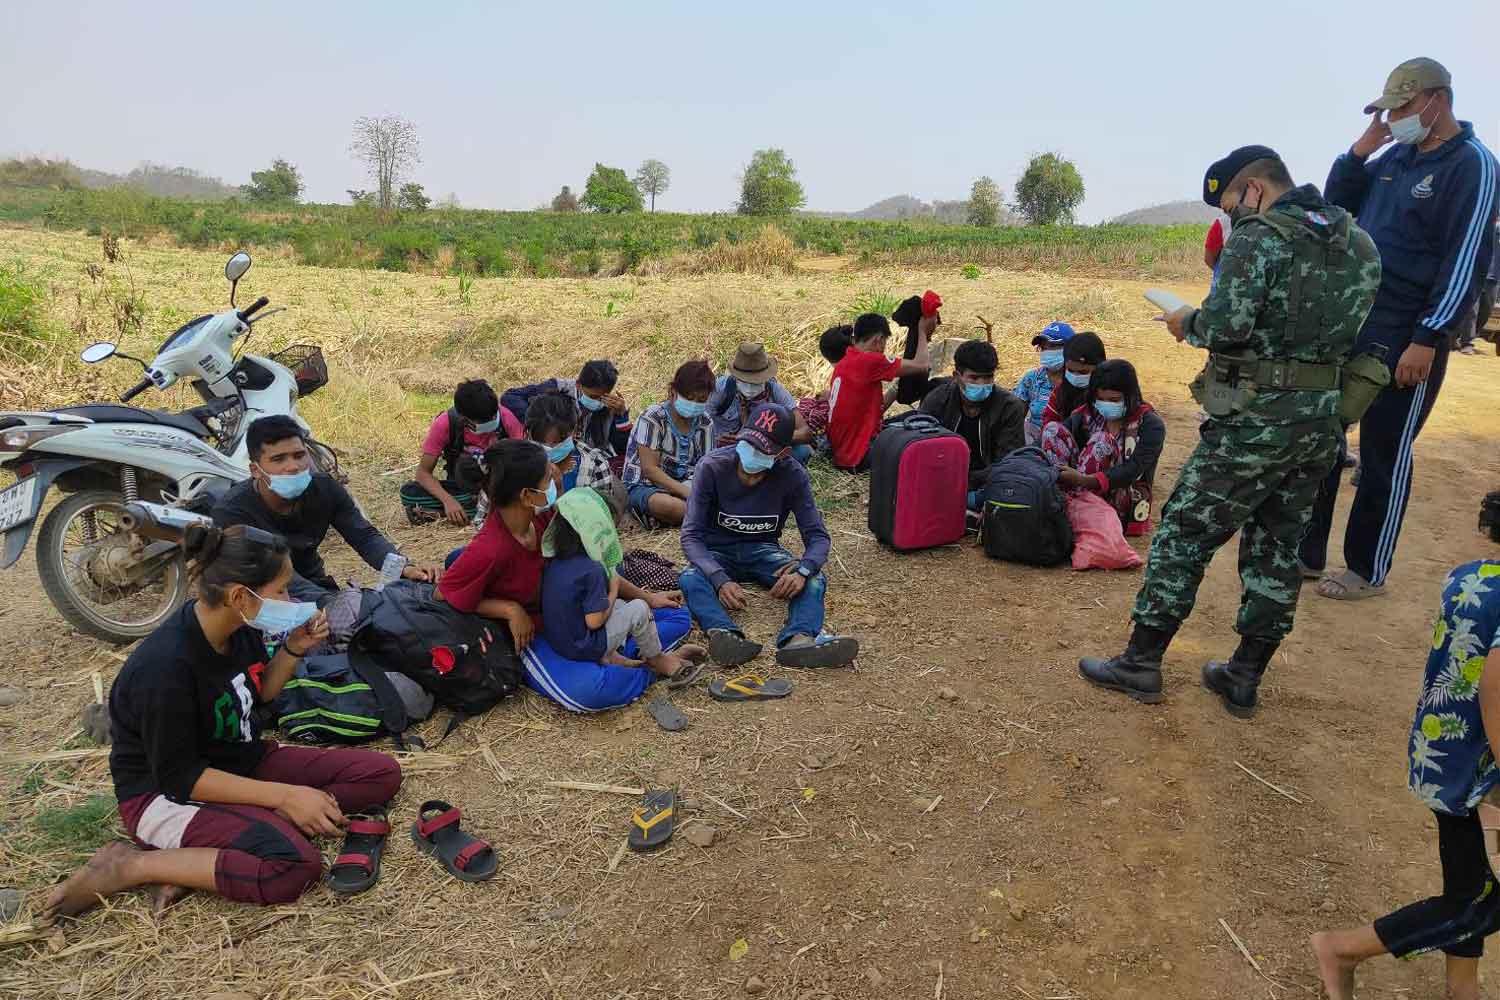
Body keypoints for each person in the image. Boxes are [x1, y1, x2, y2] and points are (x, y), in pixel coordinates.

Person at [1079, 145, 1381, 716]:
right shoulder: (1359, 243)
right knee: (1277, 546)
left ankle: (1141, 663)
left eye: (1228, 205)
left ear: (1253, 189)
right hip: (1320, 423)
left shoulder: (1259, 236)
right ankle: (1243, 675)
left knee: (1185, 533)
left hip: (1254, 424)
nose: (1230, 218)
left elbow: (1226, 325)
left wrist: (1184, 321)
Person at [43, 524, 402, 918]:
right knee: (296, 867)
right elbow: (181, 776)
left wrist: (294, 648)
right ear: (238, 596)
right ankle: (131, 865)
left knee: (379, 774)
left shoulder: (236, 629)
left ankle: (215, 848)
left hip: (239, 762)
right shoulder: (164, 669)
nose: (290, 599)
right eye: (281, 590)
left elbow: (259, 693)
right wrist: (285, 796)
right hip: (165, 795)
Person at [1299, 57, 1497, 602]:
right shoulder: (1395, 156)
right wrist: (1361, 148)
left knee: (1386, 449)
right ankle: (1307, 551)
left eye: (1404, 108)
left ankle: (1367, 568)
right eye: (1390, 110)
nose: (1397, 118)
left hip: (1407, 332)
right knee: (1324, 436)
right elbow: (1337, 206)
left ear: (1438, 99)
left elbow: (1465, 260)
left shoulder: (1472, 165)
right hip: (1355, 320)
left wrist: (1429, 337)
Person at [1309, 556, 1500, 1000]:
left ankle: (1462, 987)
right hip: (1481, 774)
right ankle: (1342, 948)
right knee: (1476, 902)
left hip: (1443, 751)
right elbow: (1496, 691)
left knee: (1470, 880)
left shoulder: (1471, 575)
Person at [680, 402, 858, 668]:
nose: (751, 454)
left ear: (782, 454)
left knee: (814, 580)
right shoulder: (712, 467)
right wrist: (719, 579)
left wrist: (803, 571)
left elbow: (817, 537)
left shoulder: (793, 474)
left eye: (762, 450)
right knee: (691, 578)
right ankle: (723, 635)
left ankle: (799, 640)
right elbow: (691, 536)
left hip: (764, 550)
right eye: (749, 444)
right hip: (716, 553)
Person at [213, 416, 438, 603]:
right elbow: (268, 575)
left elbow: (364, 537)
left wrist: (403, 566)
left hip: (315, 584)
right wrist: (330, 603)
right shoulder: (233, 512)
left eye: (299, 455)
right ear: (255, 469)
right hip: (264, 598)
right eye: (278, 459)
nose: (293, 466)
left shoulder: (325, 488)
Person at [540, 487, 703, 680]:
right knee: (639, 608)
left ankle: (612, 656)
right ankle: (657, 659)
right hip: (582, 646)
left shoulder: (556, 561)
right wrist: (614, 588)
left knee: (620, 605)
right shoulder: (592, 570)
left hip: (561, 641)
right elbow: (594, 622)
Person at [438, 438, 559, 652]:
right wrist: (509, 610)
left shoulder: (541, 518)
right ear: (526, 495)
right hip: (525, 629)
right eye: (549, 479)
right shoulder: (492, 549)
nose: (555, 482)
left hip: (550, 611)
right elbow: (442, 594)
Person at [1041, 359, 1165, 536]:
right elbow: (1056, 436)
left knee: (1102, 441)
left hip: (1122, 497)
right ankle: (1059, 503)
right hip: (1077, 485)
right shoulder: (1089, 414)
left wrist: (1085, 480)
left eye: (1114, 400)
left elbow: (1133, 469)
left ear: (1131, 396)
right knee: (1052, 430)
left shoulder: (1151, 425)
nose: (1106, 404)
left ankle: (1079, 512)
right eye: (1100, 399)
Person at [918, 339, 1027, 510]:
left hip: (988, 480)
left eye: (988, 377)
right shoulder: (937, 400)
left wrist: (967, 482)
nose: (982, 385)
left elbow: (1008, 461)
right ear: (956, 376)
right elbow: (921, 449)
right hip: (944, 476)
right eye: (974, 378)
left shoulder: (1009, 407)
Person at [405, 379, 523, 526]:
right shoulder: (446, 423)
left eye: (493, 418)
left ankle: (443, 512)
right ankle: (478, 509)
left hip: (500, 483)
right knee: (410, 492)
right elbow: (423, 473)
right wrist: (449, 501)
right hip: (462, 485)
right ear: (463, 418)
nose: (492, 422)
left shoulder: (506, 419)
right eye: (482, 423)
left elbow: (524, 460)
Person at [826, 312, 934, 472]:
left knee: (913, 417)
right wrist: (923, 332)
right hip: (859, 456)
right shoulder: (870, 360)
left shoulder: (844, 363)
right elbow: (922, 364)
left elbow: (874, 411)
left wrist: (897, 388)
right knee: (924, 426)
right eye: (884, 343)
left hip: (843, 454)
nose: (884, 349)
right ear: (878, 339)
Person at [622, 360, 715, 527]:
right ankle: (693, 514)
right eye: (689, 397)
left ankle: (675, 517)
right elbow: (650, 470)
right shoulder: (653, 418)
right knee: (669, 506)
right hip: (646, 486)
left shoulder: (705, 423)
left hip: (688, 486)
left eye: (701, 400)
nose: (694, 404)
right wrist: (688, 493)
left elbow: (705, 466)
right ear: (673, 392)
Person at [502, 359, 632, 458]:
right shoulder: (559, 388)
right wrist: (542, 420)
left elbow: (623, 449)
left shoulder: (611, 406)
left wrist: (621, 417)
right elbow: (510, 397)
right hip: (554, 451)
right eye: (592, 396)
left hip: (588, 458)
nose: (597, 401)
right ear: (578, 385)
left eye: (602, 396)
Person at [708, 343, 814, 465]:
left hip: (763, 448)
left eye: (755, 383)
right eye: (744, 381)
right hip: (724, 448)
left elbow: (805, 433)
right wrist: (716, 438)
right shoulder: (720, 390)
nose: (749, 387)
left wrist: (765, 438)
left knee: (801, 452)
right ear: (735, 377)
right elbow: (700, 422)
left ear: (766, 378)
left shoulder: (775, 392)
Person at [1013, 321, 1075, 446]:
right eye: (1043, 348)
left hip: (1067, 443)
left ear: (1070, 349)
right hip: (1033, 441)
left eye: (1053, 346)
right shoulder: (1032, 379)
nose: (1047, 352)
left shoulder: (1077, 380)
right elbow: (1015, 416)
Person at [1040, 332, 1106, 429]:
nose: (1076, 377)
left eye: (1083, 372)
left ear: (1099, 366)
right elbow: (1048, 426)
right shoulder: (1060, 392)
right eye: (1070, 371)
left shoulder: (1111, 392)